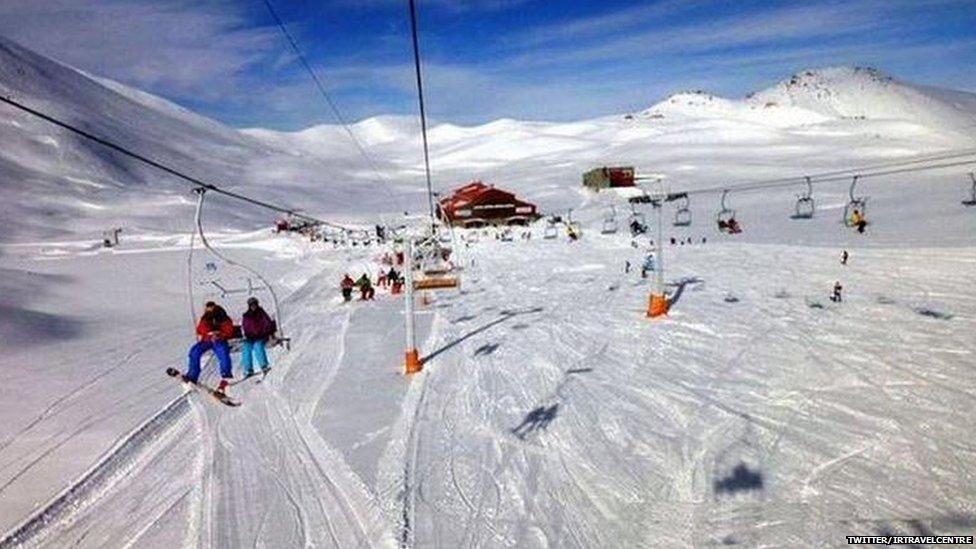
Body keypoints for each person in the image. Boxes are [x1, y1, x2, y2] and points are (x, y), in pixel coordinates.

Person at [185, 301, 235, 393]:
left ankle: (226, 374)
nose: (210, 309)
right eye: (208, 307)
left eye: (211, 306)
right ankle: (193, 375)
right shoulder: (205, 318)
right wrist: (209, 333)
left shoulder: (222, 316)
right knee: (194, 351)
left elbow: (229, 330)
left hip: (219, 340)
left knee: (223, 352)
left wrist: (219, 334)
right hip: (207, 340)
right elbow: (200, 330)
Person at [241, 297, 276, 377]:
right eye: (251, 305)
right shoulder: (246, 316)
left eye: (254, 304)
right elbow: (245, 327)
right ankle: (248, 369)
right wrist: (247, 334)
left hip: (261, 336)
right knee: (246, 347)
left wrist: (267, 332)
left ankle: (264, 365)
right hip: (251, 337)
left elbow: (268, 324)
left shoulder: (261, 313)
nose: (253, 306)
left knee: (258, 345)